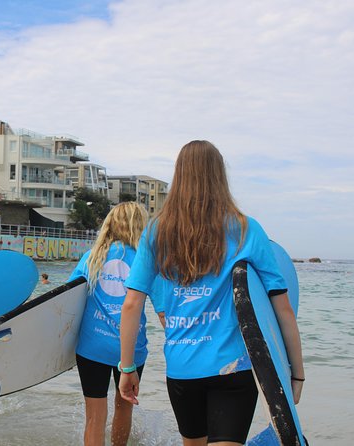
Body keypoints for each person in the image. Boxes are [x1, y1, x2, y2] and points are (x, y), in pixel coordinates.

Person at [118, 141, 305, 446]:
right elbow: (281, 308)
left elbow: (131, 305)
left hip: (182, 370)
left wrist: (127, 368)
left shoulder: (157, 231)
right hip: (233, 370)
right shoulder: (247, 230)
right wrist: (295, 374)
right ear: (220, 176)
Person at [69, 202, 150, 446]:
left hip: (92, 346)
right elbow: (165, 308)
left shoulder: (91, 257)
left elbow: (66, 299)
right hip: (131, 350)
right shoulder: (146, 261)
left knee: (94, 416)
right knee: (124, 408)